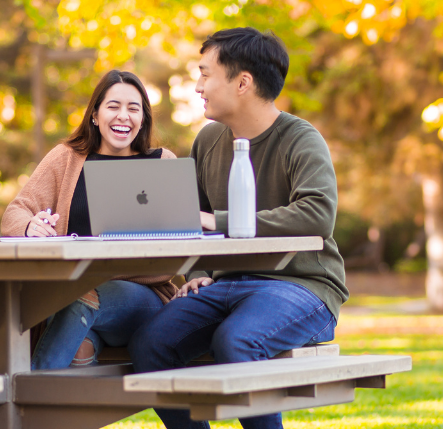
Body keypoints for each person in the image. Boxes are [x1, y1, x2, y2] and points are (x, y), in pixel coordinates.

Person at [128, 28, 347, 429]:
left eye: (205, 74)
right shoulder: (209, 140)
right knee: (149, 344)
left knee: (236, 341)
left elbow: (316, 214)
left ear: (242, 82)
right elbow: (191, 222)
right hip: (225, 285)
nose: (198, 86)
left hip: (302, 286)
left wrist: (221, 222)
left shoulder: (301, 139)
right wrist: (197, 272)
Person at [0, 70, 179, 369]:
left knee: (82, 295)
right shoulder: (67, 158)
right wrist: (30, 226)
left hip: (141, 297)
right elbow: (15, 212)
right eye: (113, 106)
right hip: (70, 293)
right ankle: (45, 397)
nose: (124, 116)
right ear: (95, 114)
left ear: (144, 119)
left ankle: (28, 398)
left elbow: (186, 229)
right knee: (78, 348)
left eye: (134, 109)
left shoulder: (162, 162)